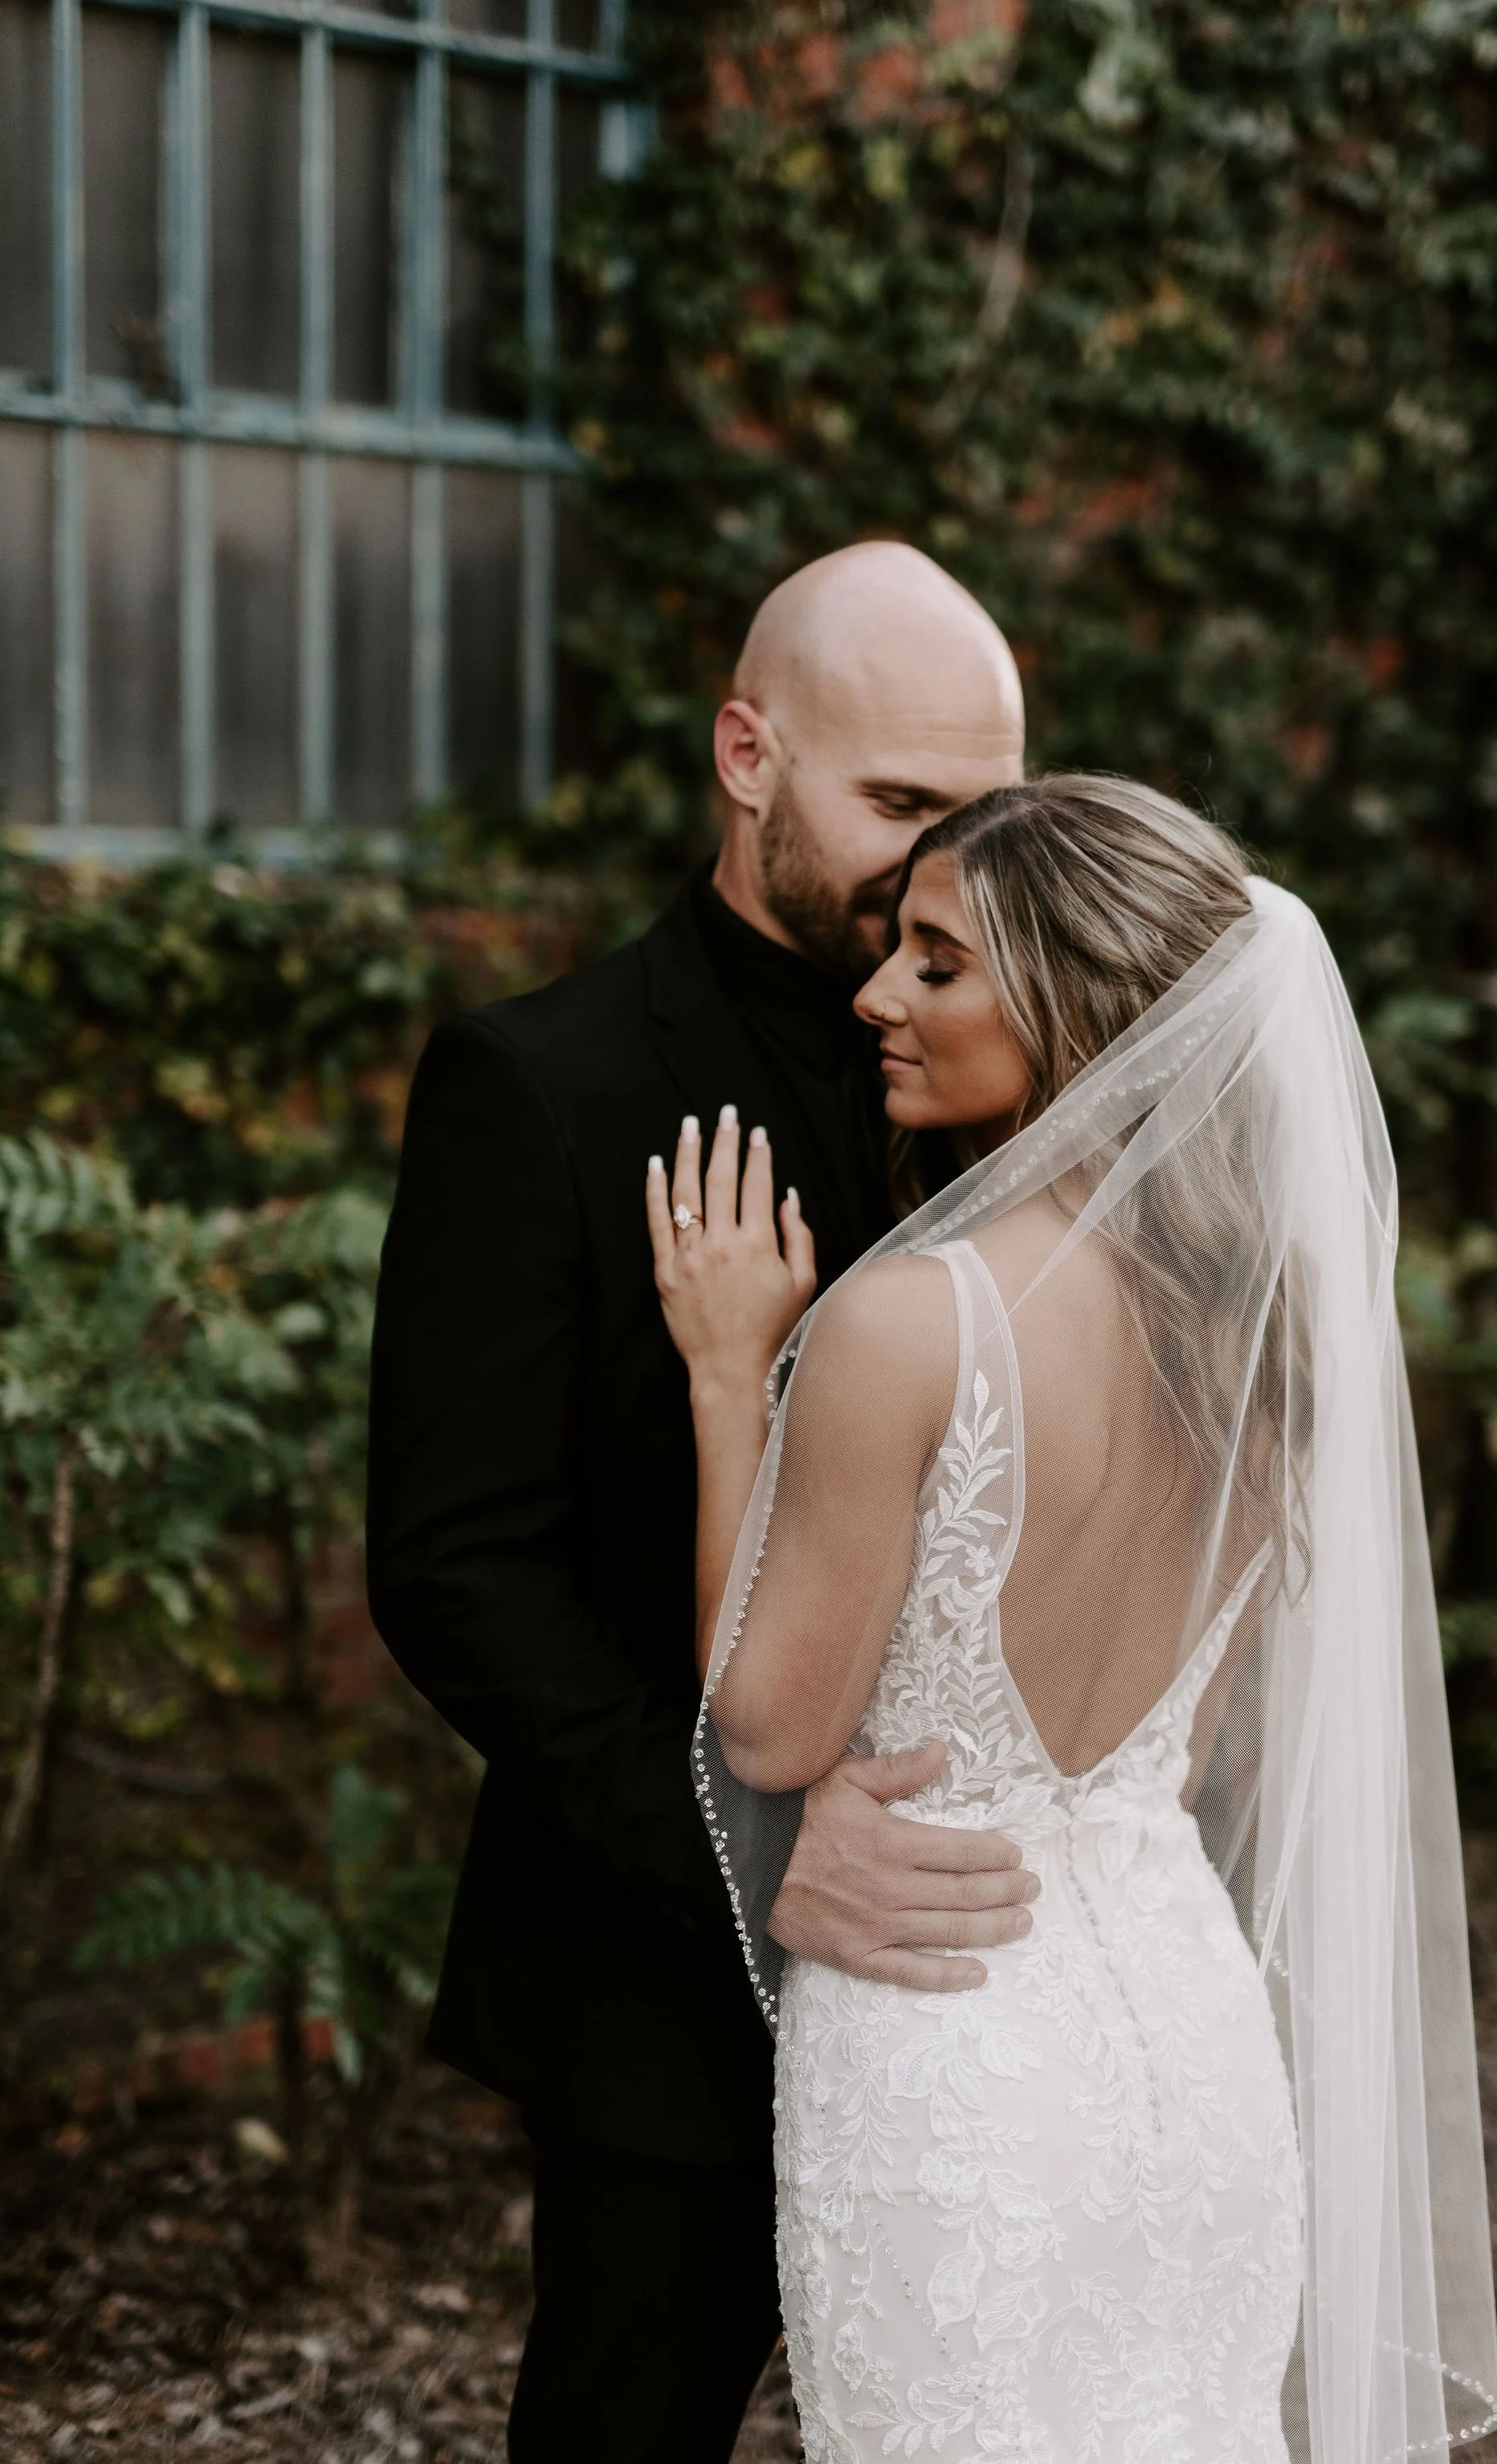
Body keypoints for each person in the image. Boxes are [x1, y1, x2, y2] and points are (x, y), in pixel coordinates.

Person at [651, 775, 1497, 2464]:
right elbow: (1169, 1754)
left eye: (937, 964)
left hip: (953, 2047)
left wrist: (729, 1373)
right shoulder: (1261, 1346)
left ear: (1077, 1002)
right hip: (1191, 2053)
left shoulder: (903, 1322)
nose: (877, 994)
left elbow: (766, 1726)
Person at [365, 542, 1040, 2464]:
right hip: (656, 1982)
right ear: (748, 754)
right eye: (898, 806)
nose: (938, 871)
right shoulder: (538, 1085)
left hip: (986, 1954)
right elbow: (451, 1564)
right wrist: (740, 1843)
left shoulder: (1031, 1071)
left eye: (979, 818)